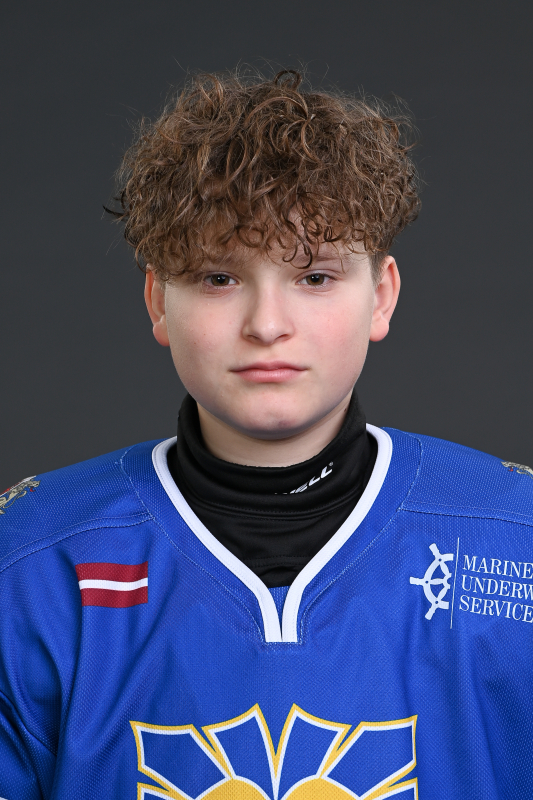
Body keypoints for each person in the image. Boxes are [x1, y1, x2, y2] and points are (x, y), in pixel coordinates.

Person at [1, 69, 532, 800]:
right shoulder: (31, 564)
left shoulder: (516, 542)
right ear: (158, 301)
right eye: (218, 278)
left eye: (314, 277)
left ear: (380, 297)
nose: (267, 325)